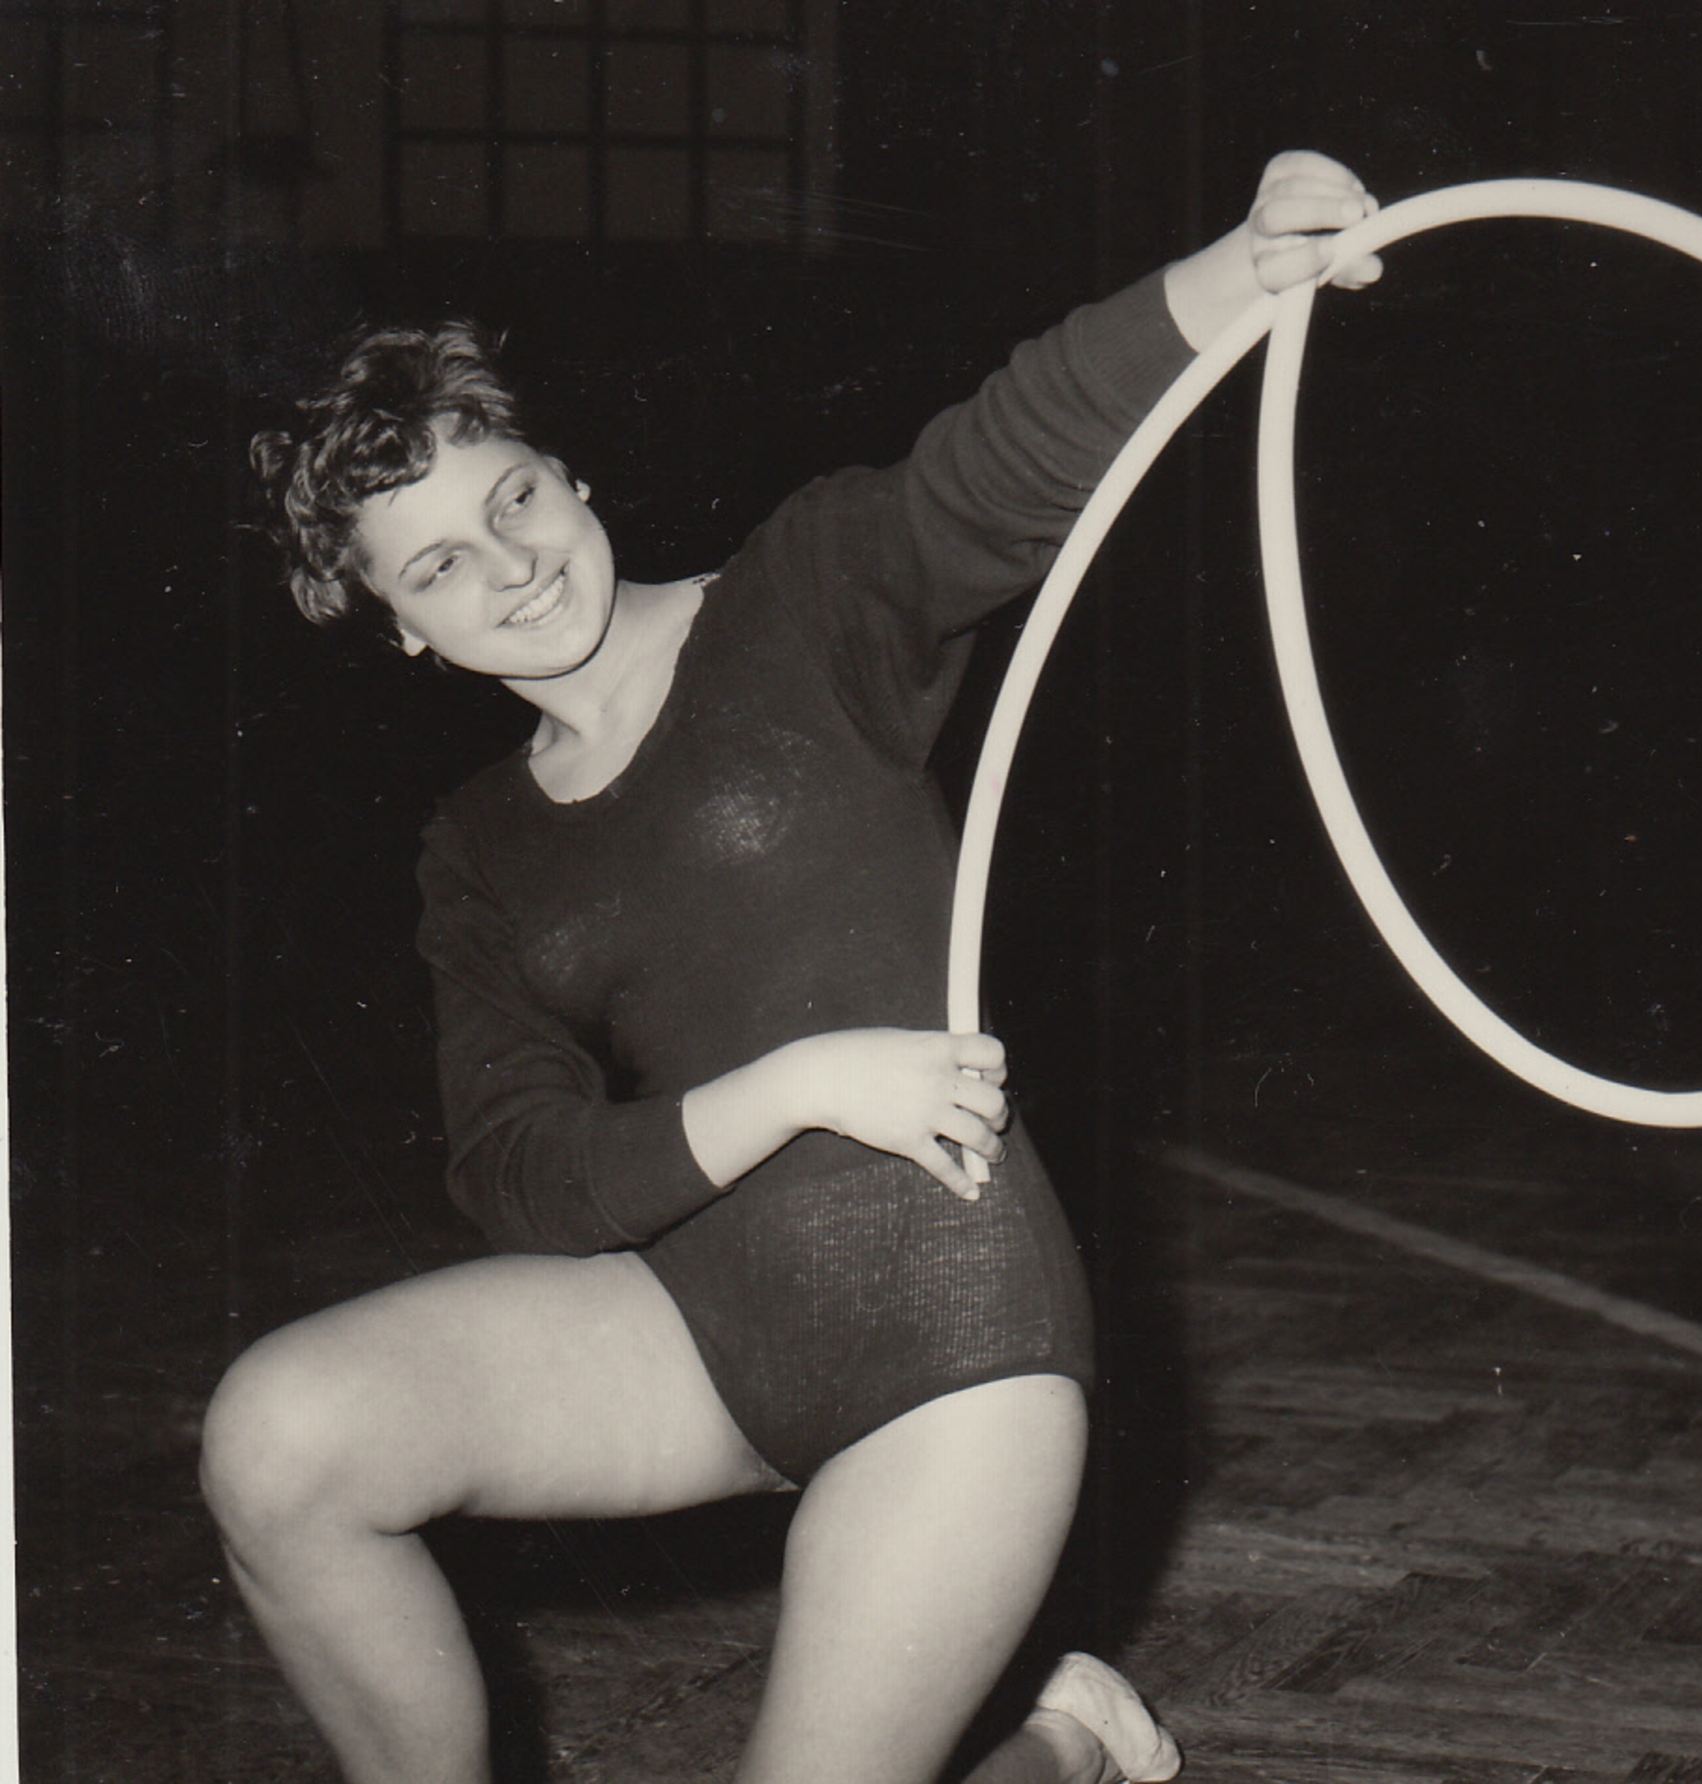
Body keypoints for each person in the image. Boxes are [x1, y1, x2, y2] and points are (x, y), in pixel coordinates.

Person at [200, 150, 1383, 1784]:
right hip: (690, 1335)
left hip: (952, 1333)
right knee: (278, 1436)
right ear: (399, 624)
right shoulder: (475, 845)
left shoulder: (802, 598)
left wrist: (1243, 267)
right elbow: (520, 1174)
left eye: (512, 501)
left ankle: (1060, 1743)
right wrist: (795, 1089)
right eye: (439, 566)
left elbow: (1010, 449)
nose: (511, 566)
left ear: (568, 476)